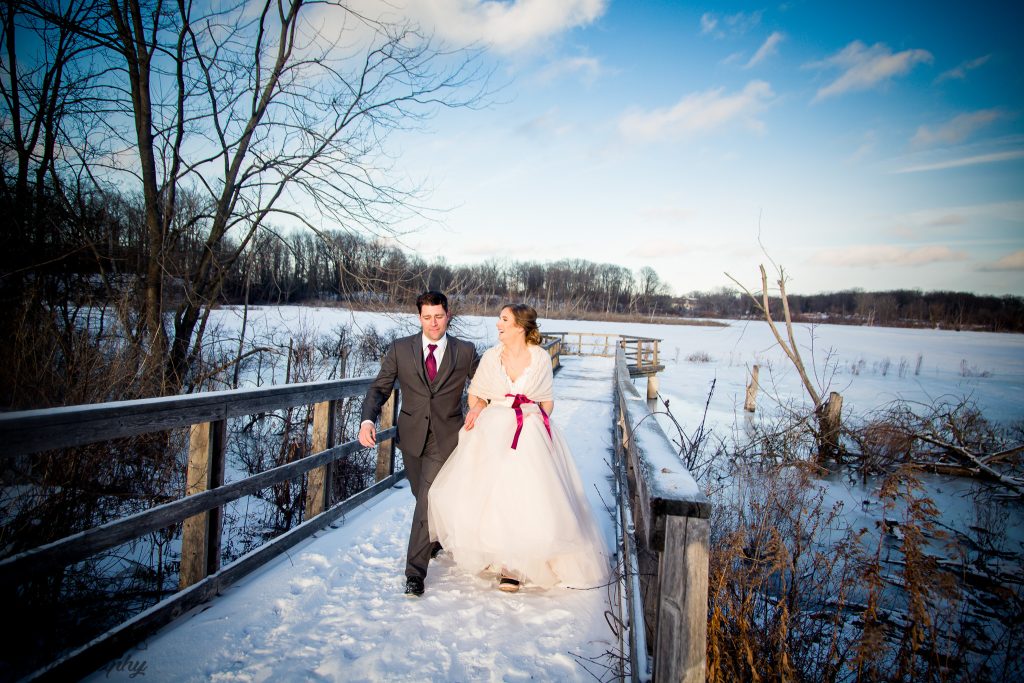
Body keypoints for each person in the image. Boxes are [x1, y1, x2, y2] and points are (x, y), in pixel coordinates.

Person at [427, 304, 609, 593]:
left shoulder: (540, 358)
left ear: (520, 327)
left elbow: (547, 401)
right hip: (492, 429)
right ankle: (499, 556)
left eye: (504, 319)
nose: (498, 324)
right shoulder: (491, 357)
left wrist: (535, 424)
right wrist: (477, 408)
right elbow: (477, 394)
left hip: (528, 430)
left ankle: (516, 565)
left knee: (526, 493)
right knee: (493, 494)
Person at [358, 291, 480, 597]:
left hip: (446, 438)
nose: (433, 323)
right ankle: (434, 538)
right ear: (419, 318)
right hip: (411, 438)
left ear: (448, 315)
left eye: (438, 316)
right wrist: (368, 420)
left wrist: (482, 405)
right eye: (427, 317)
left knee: (426, 500)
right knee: (421, 496)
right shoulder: (401, 349)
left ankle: (415, 573)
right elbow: (380, 387)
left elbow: (486, 384)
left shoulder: (465, 351)